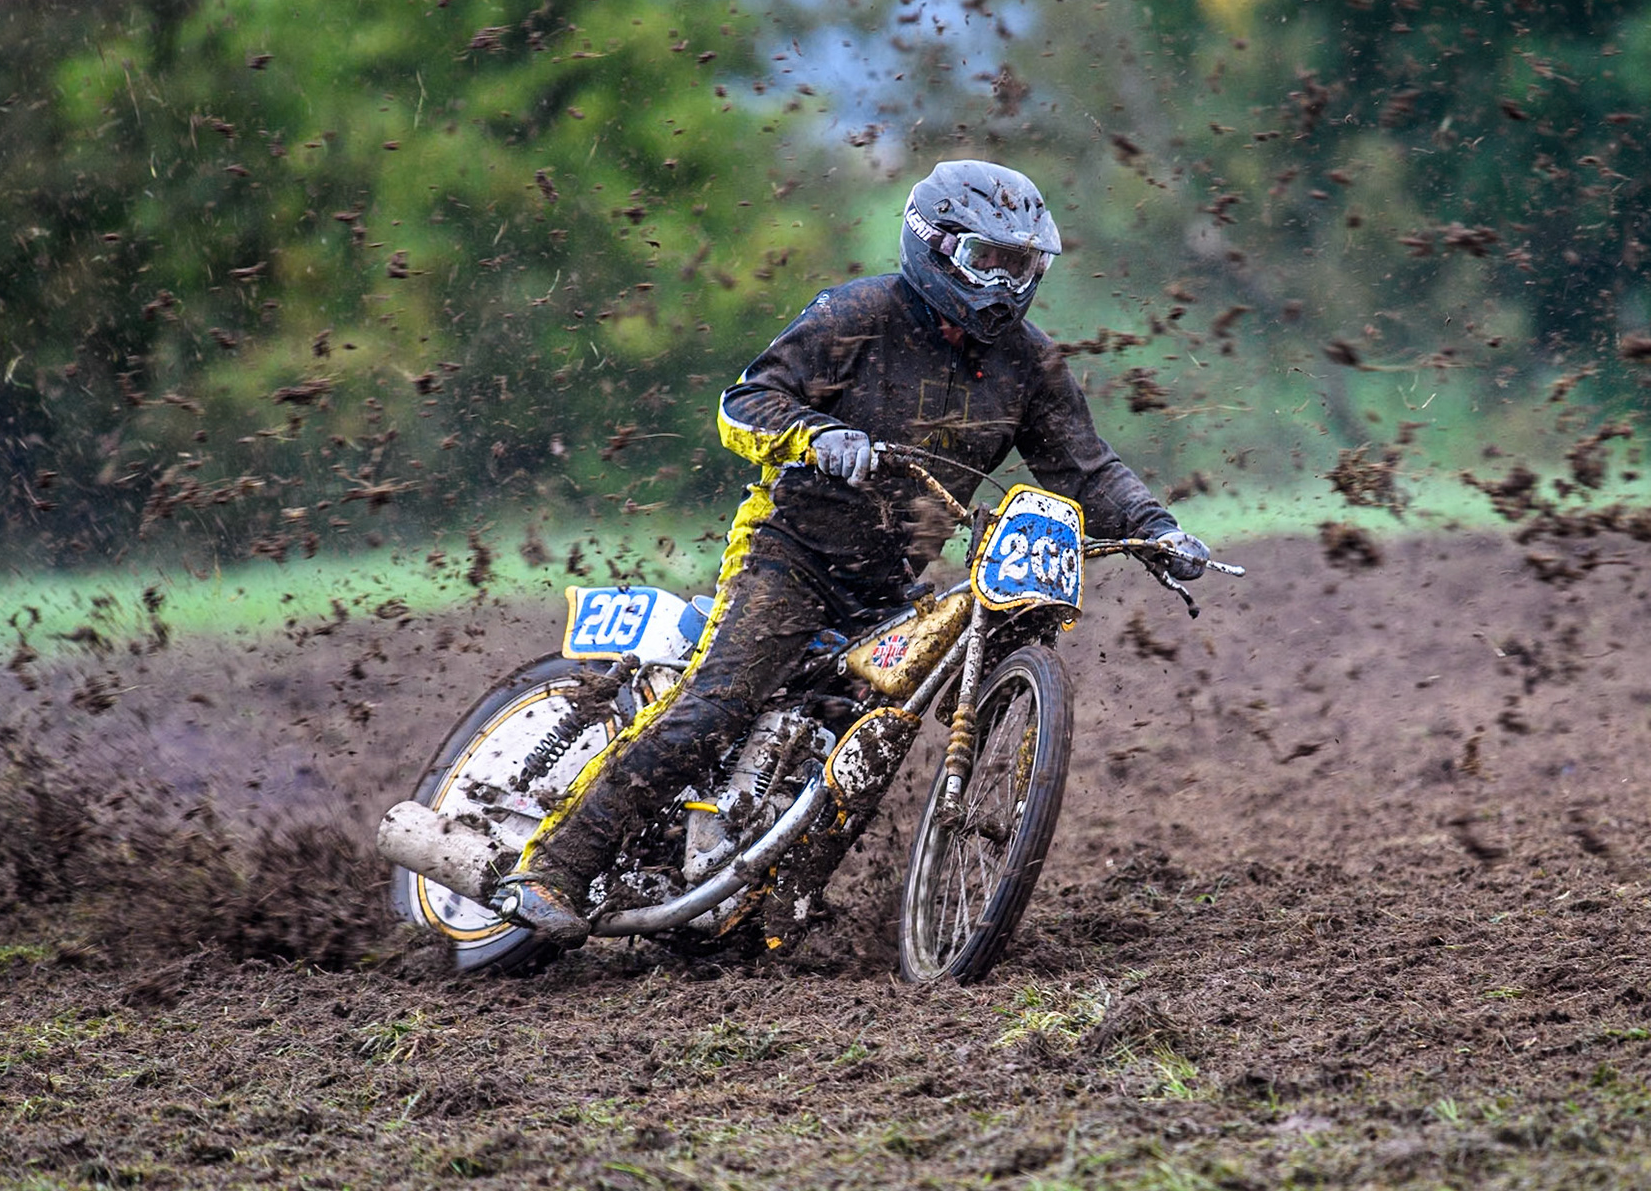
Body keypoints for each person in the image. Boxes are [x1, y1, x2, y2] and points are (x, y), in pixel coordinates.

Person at [491, 159, 1210, 945]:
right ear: (934, 247)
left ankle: (758, 908)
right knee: (720, 701)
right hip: (790, 550)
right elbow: (744, 403)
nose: (1005, 289)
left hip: (894, 583)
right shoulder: (855, 314)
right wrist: (817, 433)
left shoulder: (1030, 364)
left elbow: (1084, 466)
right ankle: (552, 866)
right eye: (987, 263)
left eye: (1023, 268)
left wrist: (1156, 529)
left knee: (869, 740)